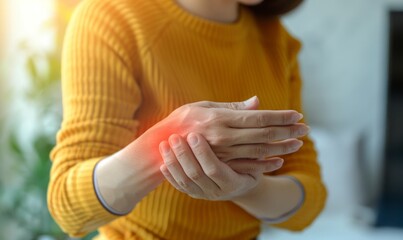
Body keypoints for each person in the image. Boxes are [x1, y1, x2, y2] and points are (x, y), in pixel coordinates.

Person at [47, 0, 327, 239]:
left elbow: (308, 202)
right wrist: (175, 137)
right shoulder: (112, 17)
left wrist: (246, 189)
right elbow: (67, 206)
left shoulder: (278, 42)